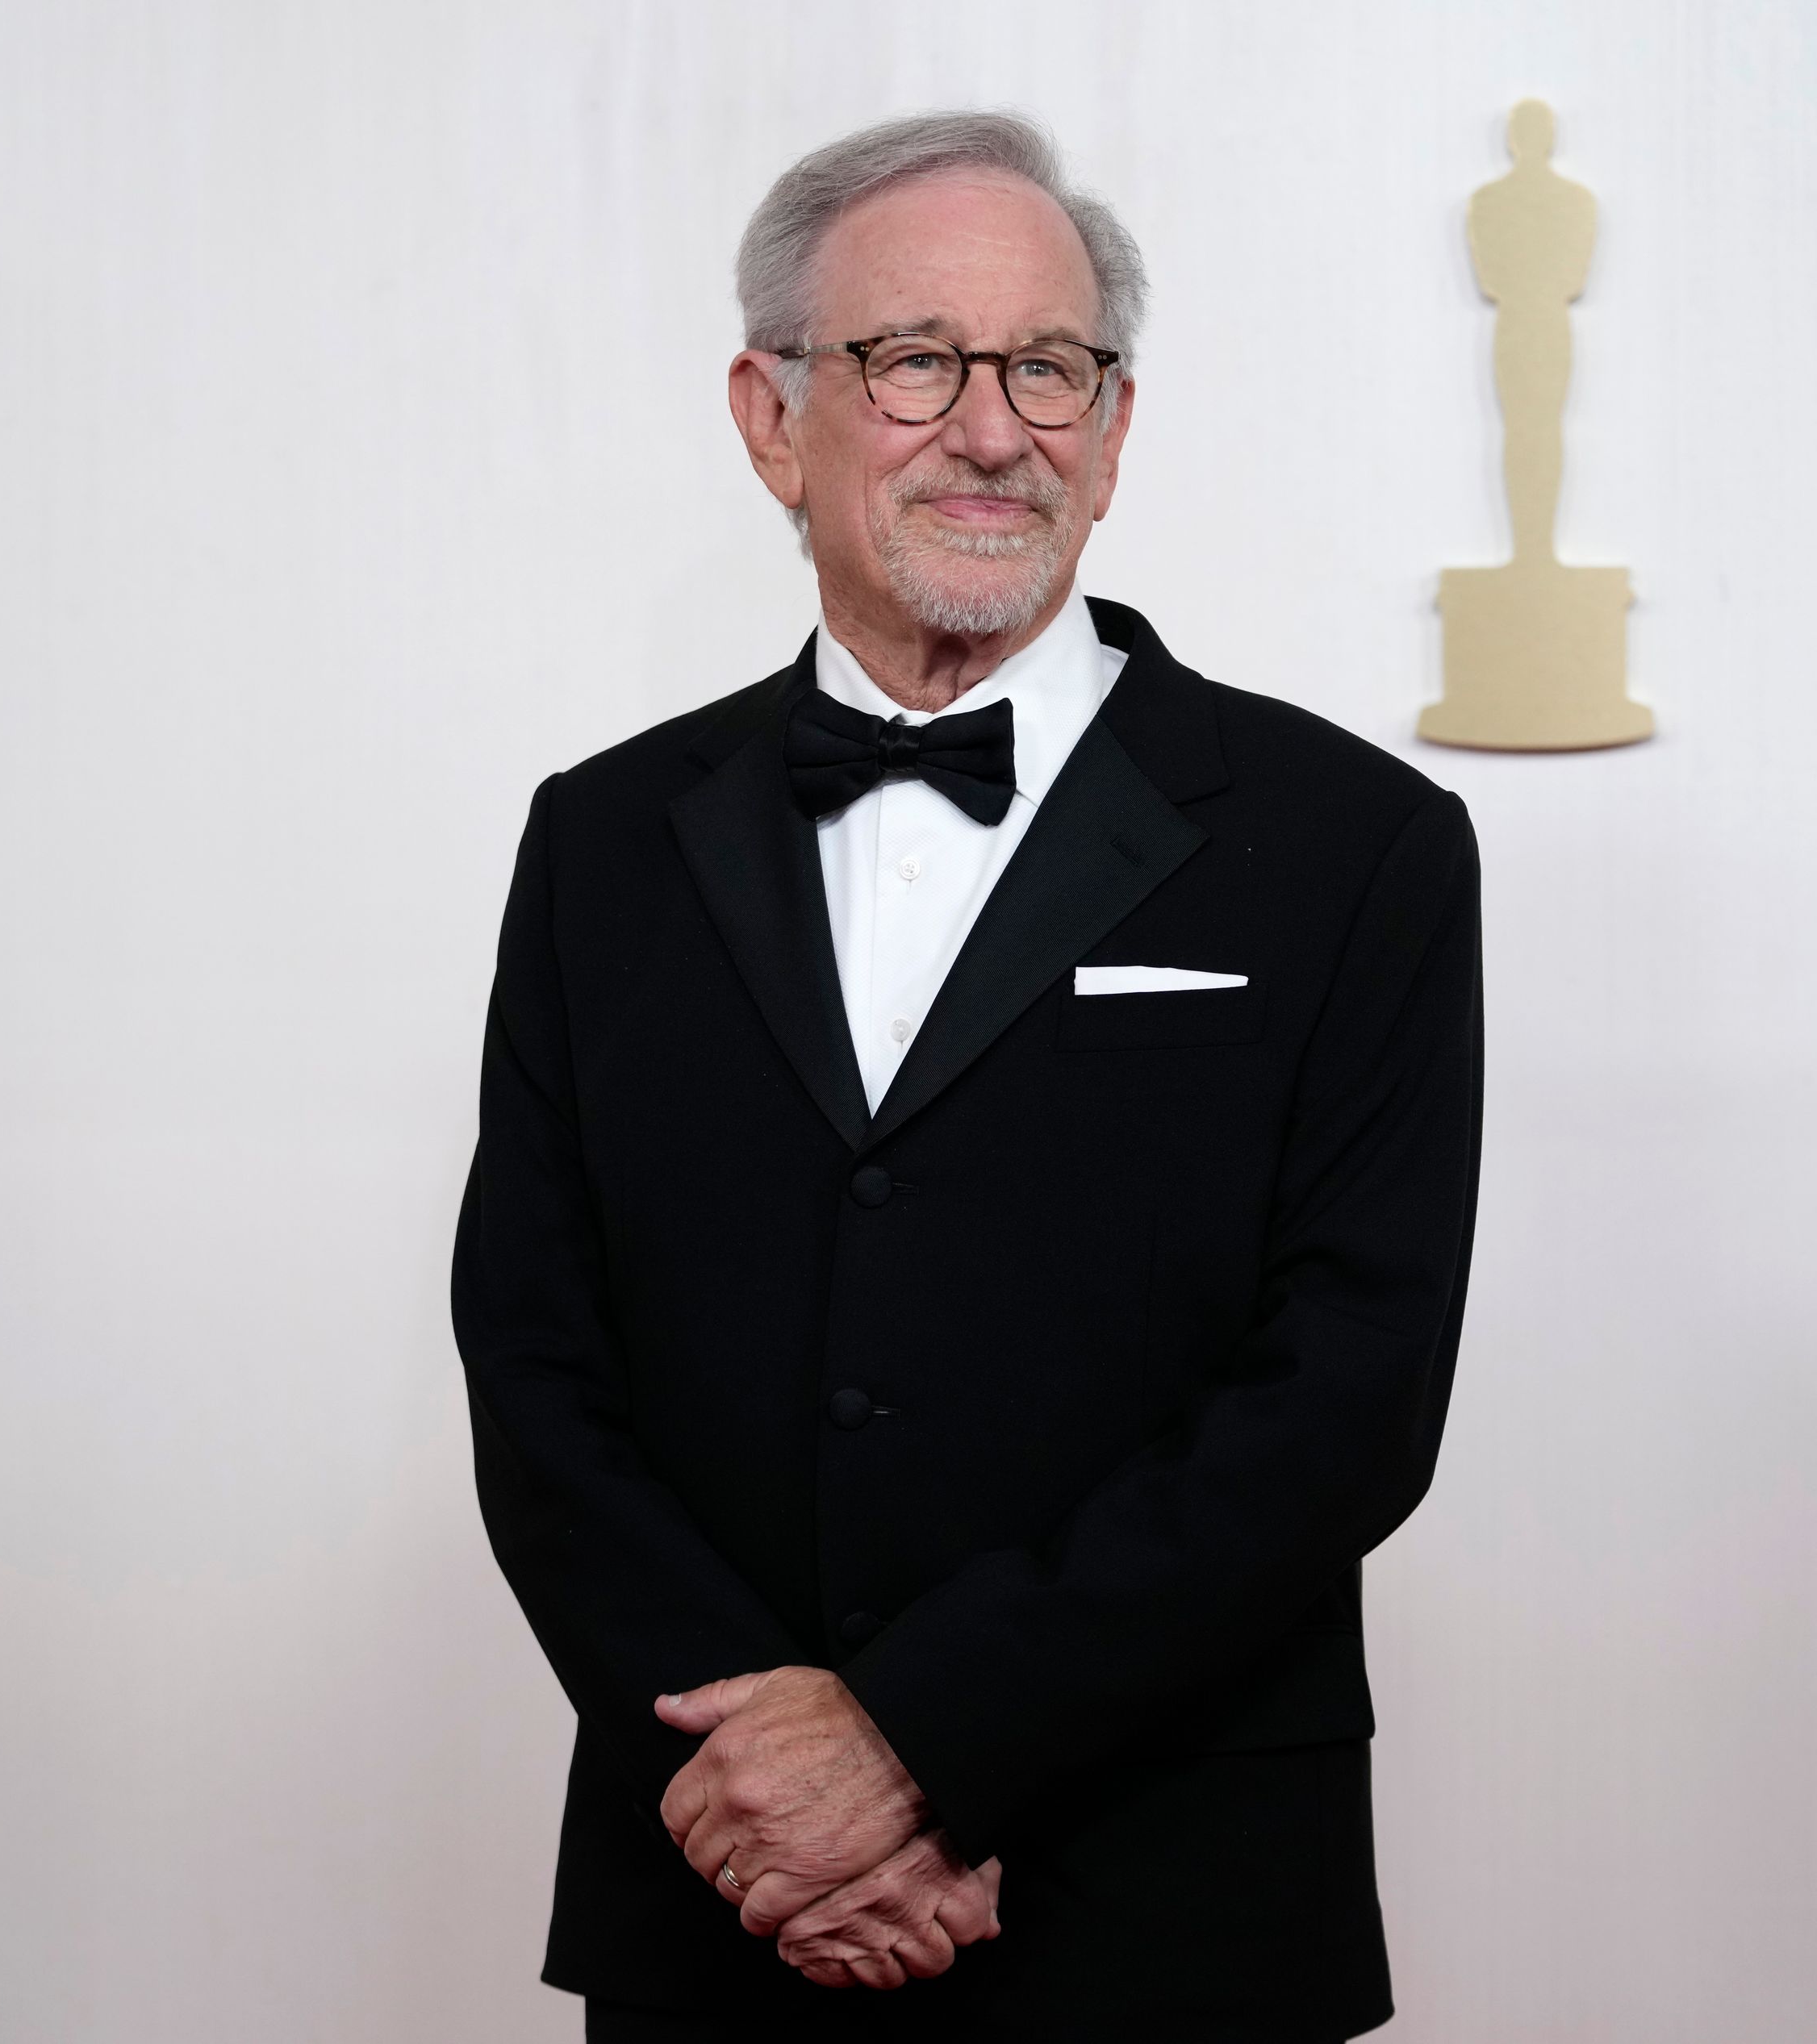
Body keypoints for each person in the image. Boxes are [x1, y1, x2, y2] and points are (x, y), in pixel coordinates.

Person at [453, 110, 1485, 2043]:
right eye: (917, 361)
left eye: (1050, 367)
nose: (994, 430)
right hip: (721, 1908)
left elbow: (1347, 1397)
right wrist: (772, 1794)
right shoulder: (598, 839)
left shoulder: (1359, 845)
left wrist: (920, 1745)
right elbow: (536, 1363)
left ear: (1113, 425)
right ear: (771, 417)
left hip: (1167, 1915)